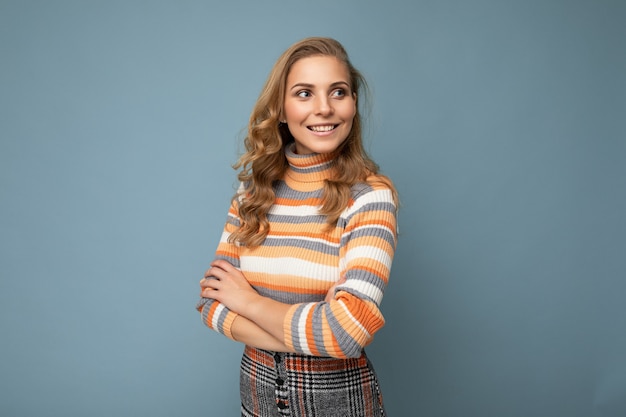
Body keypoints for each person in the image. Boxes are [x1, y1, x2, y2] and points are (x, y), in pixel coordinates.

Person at [197, 36, 398, 417]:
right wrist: (311, 334)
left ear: (353, 104)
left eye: (338, 92)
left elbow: (346, 332)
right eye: (304, 93)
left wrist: (250, 303)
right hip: (256, 397)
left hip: (337, 402)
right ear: (282, 111)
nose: (324, 109)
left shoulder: (370, 197)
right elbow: (211, 304)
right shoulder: (252, 193)